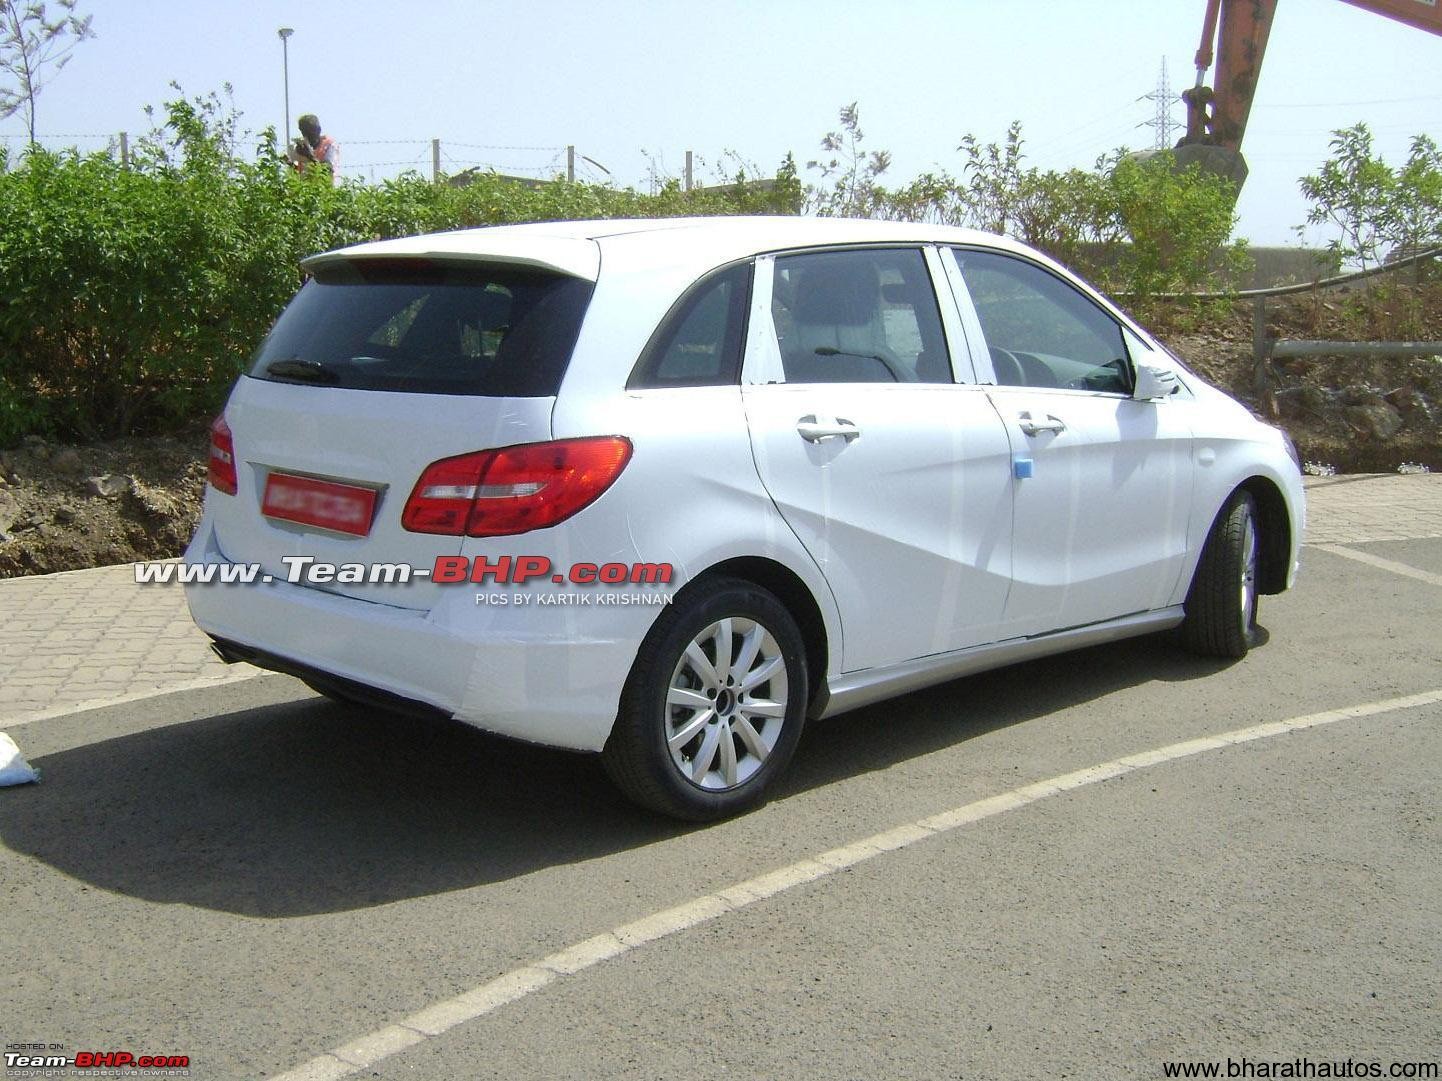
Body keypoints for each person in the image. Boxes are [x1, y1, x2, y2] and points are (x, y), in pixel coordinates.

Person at [290, 114, 340, 183]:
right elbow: (301, 172)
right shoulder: (303, 147)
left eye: (310, 133)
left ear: (318, 130)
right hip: (306, 187)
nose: (306, 136)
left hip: (326, 187)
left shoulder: (329, 145)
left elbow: (327, 172)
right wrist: (290, 163)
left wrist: (309, 156)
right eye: (304, 133)